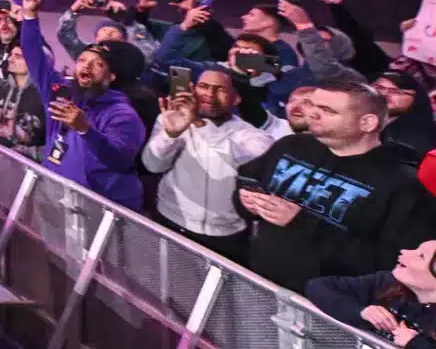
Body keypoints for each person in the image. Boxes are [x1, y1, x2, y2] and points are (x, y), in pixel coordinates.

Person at [237, 80, 436, 291]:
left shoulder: (402, 184)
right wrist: (250, 200)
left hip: (327, 305)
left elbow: (390, 261)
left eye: (327, 110)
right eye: (312, 106)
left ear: (367, 123)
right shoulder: (291, 145)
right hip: (257, 280)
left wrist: (301, 221)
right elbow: (249, 178)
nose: (312, 114)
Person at [18, 0, 146, 210]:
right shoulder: (61, 94)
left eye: (97, 64)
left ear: (110, 77)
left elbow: (119, 160)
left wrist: (84, 128)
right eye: (82, 61)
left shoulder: (123, 115)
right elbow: (35, 58)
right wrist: (29, 15)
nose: (86, 66)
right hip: (57, 199)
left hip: (100, 210)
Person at [141, 68, 273, 263]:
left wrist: (200, 125)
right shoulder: (172, 119)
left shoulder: (253, 136)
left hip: (224, 235)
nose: (209, 94)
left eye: (219, 89)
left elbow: (242, 159)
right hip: (169, 219)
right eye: (203, 87)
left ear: (235, 99)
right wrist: (170, 135)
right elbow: (152, 165)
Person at [307, 240, 436, 349]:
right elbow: (318, 287)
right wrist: (361, 312)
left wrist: (414, 344)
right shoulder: (387, 283)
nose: (405, 252)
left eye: (421, 256)